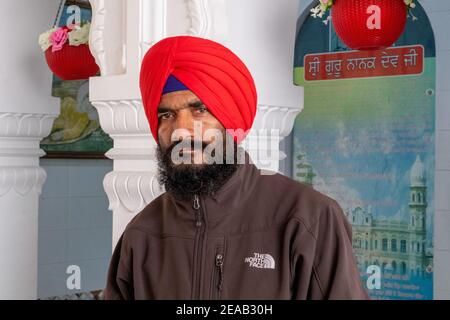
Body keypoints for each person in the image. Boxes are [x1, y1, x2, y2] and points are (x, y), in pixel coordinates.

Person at [104, 35, 369, 300]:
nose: (181, 131)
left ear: (230, 121)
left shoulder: (308, 218)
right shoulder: (141, 234)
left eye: (200, 110)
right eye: (167, 115)